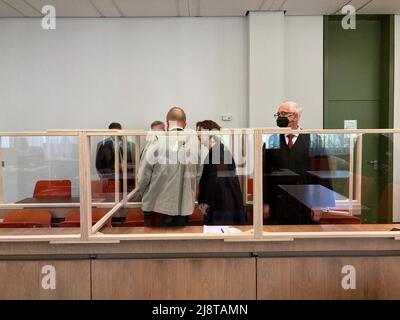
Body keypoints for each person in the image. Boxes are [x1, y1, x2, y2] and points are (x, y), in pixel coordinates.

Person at [263, 101, 331, 224]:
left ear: (295, 116)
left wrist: (319, 204)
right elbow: (265, 173)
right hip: (278, 201)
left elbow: (322, 173)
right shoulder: (272, 140)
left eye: (283, 113)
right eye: (278, 114)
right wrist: (265, 202)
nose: (279, 117)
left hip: (305, 201)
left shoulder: (314, 139)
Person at [137, 107, 203, 227]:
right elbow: (198, 175)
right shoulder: (195, 144)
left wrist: (145, 194)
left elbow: (143, 175)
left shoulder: (157, 140)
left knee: (155, 244)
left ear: (167, 123)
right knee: (179, 244)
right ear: (185, 124)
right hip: (184, 207)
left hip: (157, 206)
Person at [197, 120, 247, 225]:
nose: (198, 134)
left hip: (222, 206)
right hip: (222, 203)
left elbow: (217, 180)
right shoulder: (218, 149)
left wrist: (207, 203)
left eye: (200, 131)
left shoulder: (218, 151)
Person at [95, 122, 135, 192]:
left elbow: (135, 162)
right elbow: (99, 164)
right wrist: (103, 177)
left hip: (128, 178)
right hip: (110, 178)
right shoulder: (102, 144)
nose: (116, 134)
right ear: (109, 132)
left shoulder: (131, 145)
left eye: (118, 131)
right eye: (113, 132)